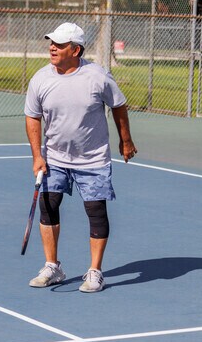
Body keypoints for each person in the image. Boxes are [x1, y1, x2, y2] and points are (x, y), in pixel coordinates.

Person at [23, 22, 137, 293]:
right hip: (55, 158)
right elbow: (32, 116)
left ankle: (95, 272)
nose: (52, 47)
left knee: (96, 212)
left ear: (75, 50)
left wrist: (126, 140)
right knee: (48, 207)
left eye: (59, 44)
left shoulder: (98, 76)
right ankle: (52, 267)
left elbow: (119, 106)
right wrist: (37, 156)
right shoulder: (40, 78)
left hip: (93, 159)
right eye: (51, 42)